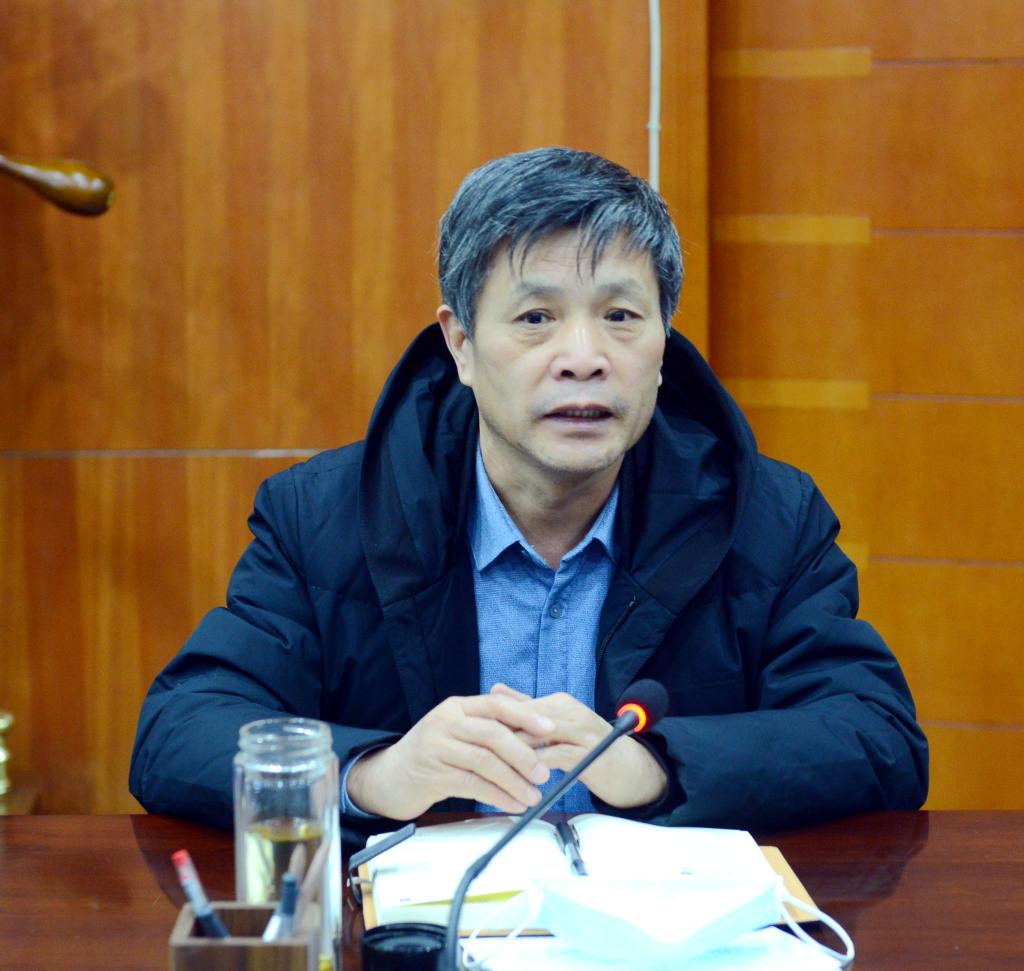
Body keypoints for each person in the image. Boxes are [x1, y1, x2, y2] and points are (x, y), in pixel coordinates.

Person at [129, 147, 928, 836]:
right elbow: (179, 729)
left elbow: (878, 735)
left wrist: (655, 768)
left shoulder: (764, 517)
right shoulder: (325, 517)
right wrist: (371, 774)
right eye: (537, 317)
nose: (583, 356)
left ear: (663, 345)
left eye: (621, 315)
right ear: (461, 343)